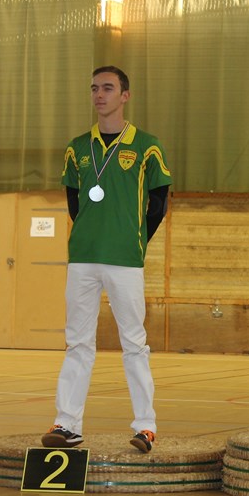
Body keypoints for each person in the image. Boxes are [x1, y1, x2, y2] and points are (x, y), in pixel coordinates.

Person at [42, 65, 172, 453]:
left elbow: (158, 205)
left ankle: (146, 426)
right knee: (77, 343)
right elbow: (74, 202)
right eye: (95, 88)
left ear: (125, 96)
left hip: (125, 259)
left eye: (108, 88)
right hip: (83, 258)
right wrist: (92, 232)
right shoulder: (77, 148)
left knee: (134, 343)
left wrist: (134, 241)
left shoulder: (147, 146)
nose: (100, 94)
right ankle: (67, 424)